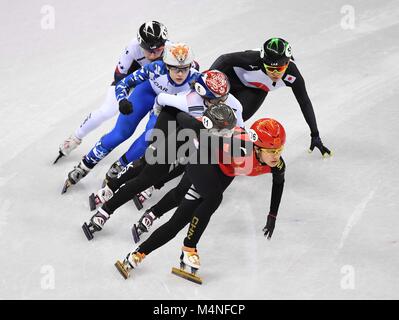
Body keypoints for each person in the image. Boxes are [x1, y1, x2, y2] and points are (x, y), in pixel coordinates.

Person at [114, 117, 287, 283]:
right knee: (214, 197)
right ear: (257, 147)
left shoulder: (277, 165)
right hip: (203, 160)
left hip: (223, 174)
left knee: (178, 222)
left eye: (279, 150)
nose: (276, 156)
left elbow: (279, 183)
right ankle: (189, 247)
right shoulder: (239, 146)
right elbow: (203, 135)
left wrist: (272, 215)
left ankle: (136, 255)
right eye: (271, 151)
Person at [87, 70, 244, 213]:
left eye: (224, 97)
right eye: (216, 100)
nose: (223, 103)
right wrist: (155, 114)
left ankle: (153, 183)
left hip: (194, 127)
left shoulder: (234, 105)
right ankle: (111, 187)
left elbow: (240, 132)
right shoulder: (187, 100)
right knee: (148, 161)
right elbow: (161, 99)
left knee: (183, 162)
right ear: (203, 95)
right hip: (173, 117)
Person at [61, 42, 199, 193]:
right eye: (175, 69)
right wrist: (122, 100)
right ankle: (85, 165)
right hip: (147, 93)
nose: (180, 74)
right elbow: (122, 84)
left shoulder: (197, 79)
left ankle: (118, 167)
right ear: (166, 65)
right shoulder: (155, 68)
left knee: (148, 139)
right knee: (120, 133)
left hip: (166, 106)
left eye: (184, 69)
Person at [55, 21, 168, 163]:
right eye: (149, 51)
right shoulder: (133, 47)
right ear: (141, 45)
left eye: (158, 50)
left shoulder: (171, 50)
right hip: (131, 81)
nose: (153, 54)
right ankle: (74, 138)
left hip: (157, 87)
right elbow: (119, 76)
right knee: (108, 111)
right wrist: (125, 94)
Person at [210, 37, 331, 157]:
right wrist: (205, 79)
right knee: (210, 110)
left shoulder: (292, 74)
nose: (275, 73)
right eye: (270, 69)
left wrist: (315, 134)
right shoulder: (253, 58)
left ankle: (219, 150)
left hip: (255, 90)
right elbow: (224, 59)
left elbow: (304, 102)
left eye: (279, 69)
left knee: (233, 119)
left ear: (287, 63)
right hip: (231, 79)